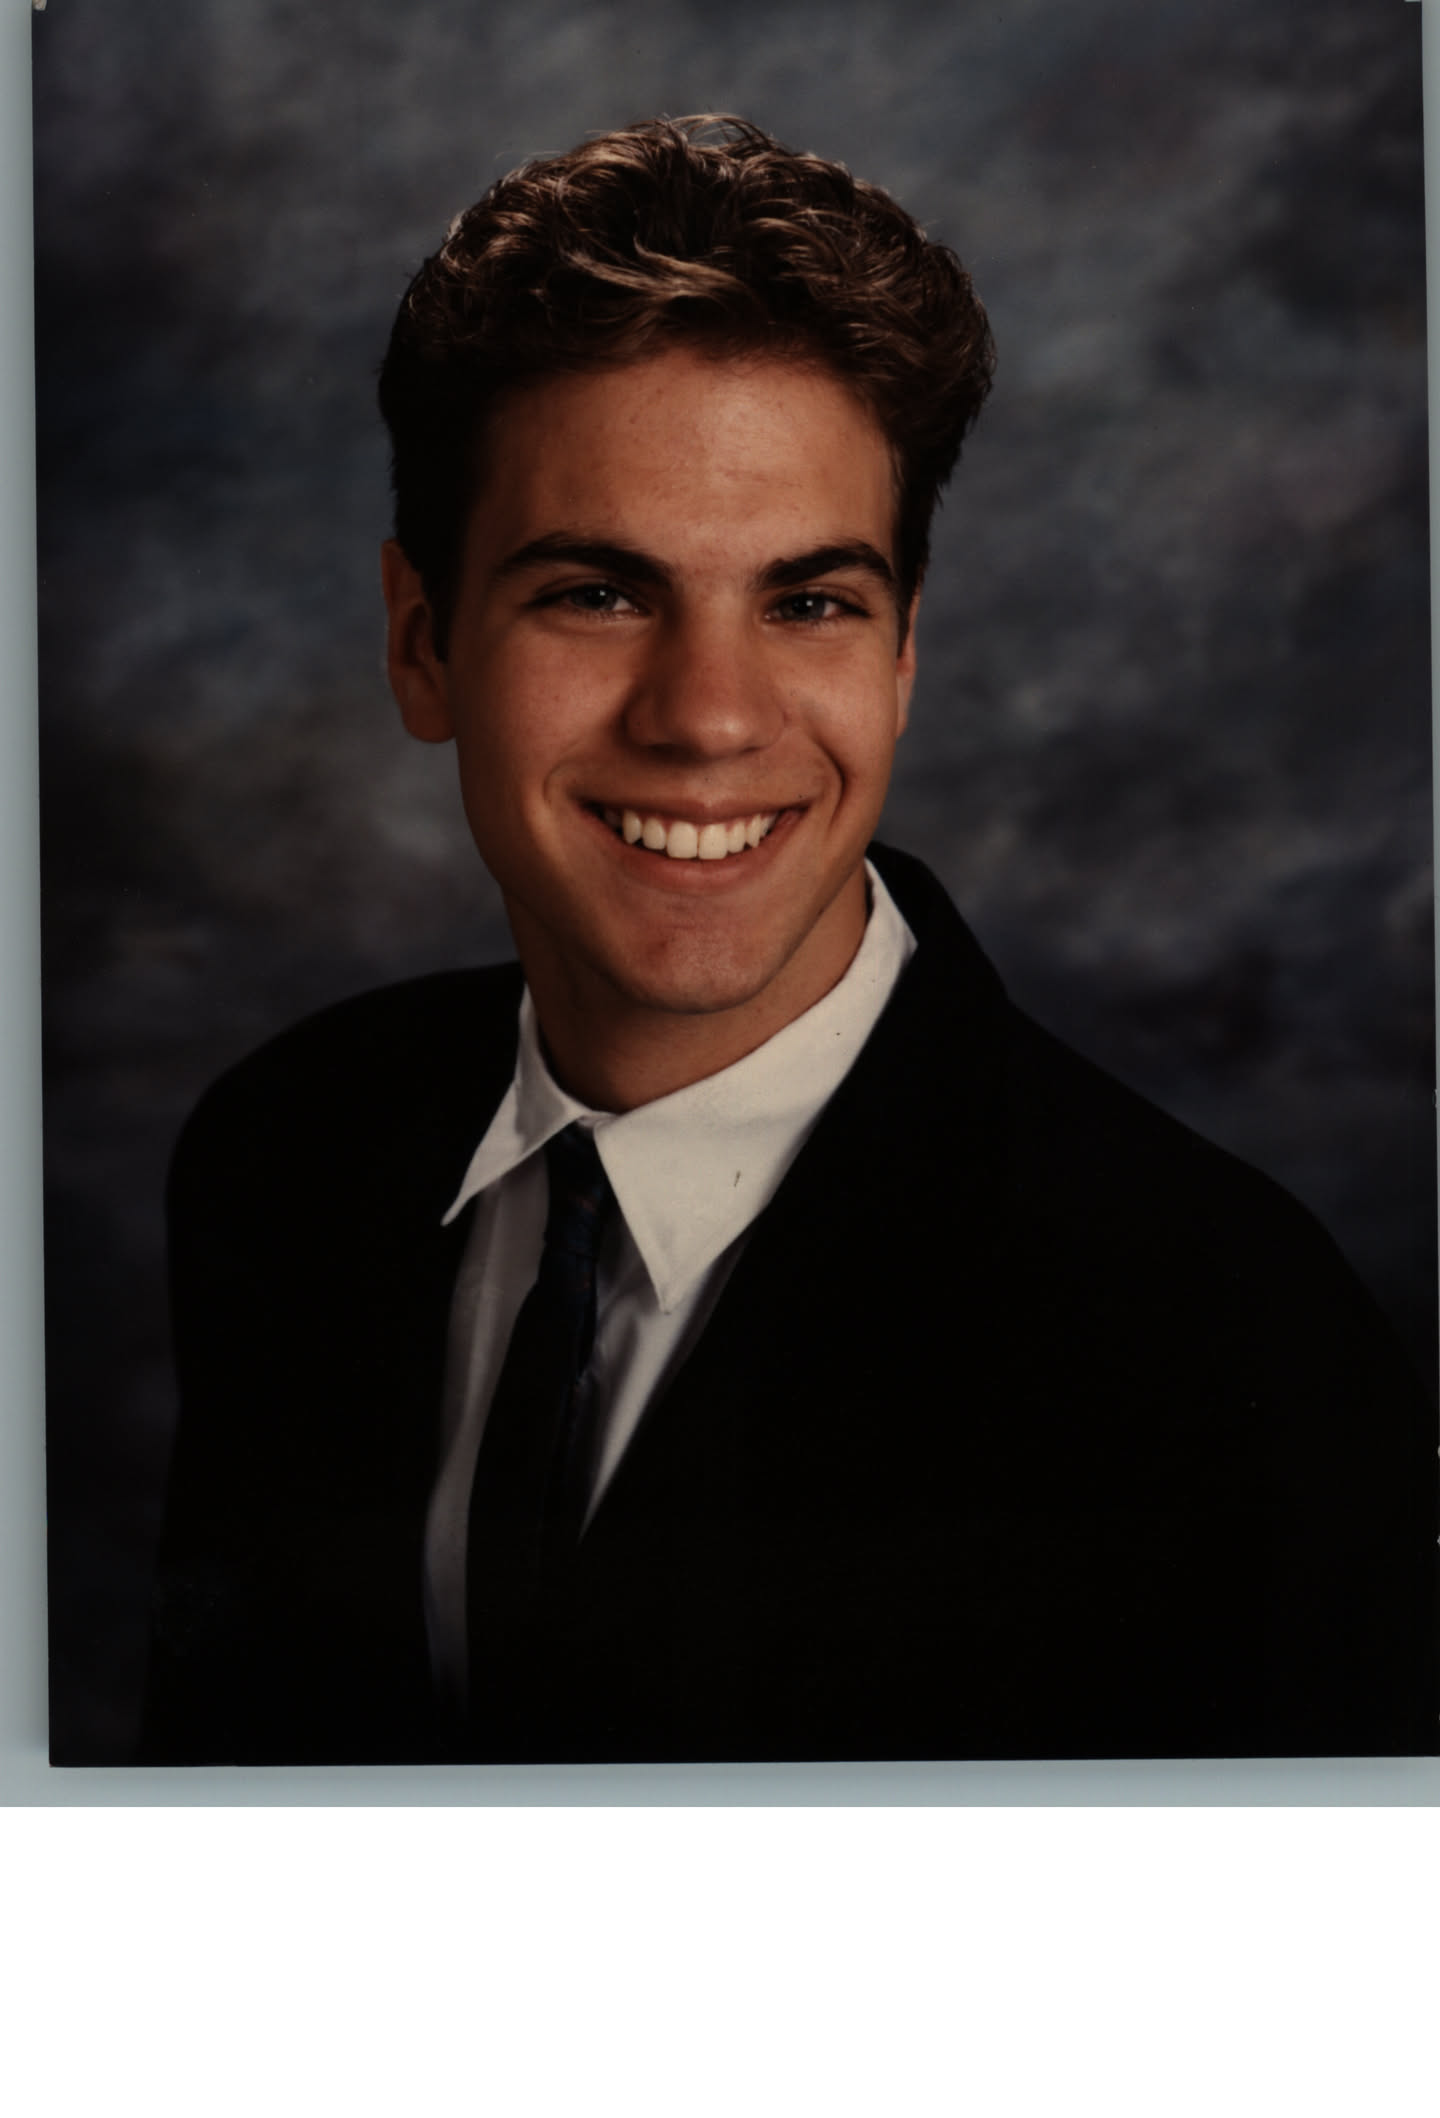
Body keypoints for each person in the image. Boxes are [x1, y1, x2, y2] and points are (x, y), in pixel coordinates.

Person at [140, 115, 1437, 1766]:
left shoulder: (1227, 1348)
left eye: (809, 601)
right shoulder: (283, 1156)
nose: (709, 717)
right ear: (422, 643)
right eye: (598, 592)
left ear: (901, 660)